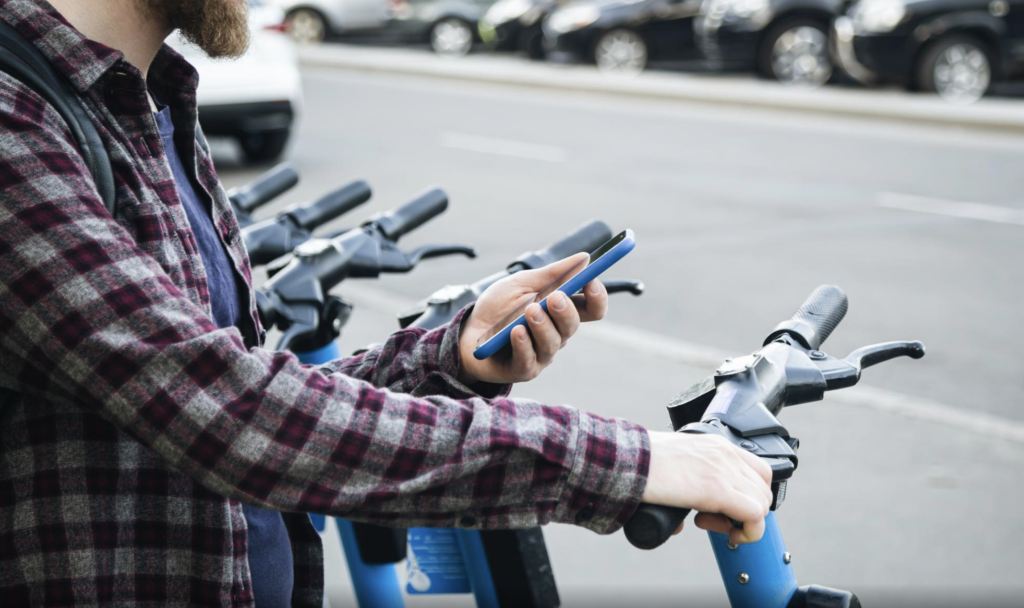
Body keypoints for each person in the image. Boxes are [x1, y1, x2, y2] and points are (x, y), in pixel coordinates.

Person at [0, 0, 773, 606]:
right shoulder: (15, 124)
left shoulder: (147, 105)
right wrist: (630, 463)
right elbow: (232, 414)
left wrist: (449, 356)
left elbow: (247, 390)